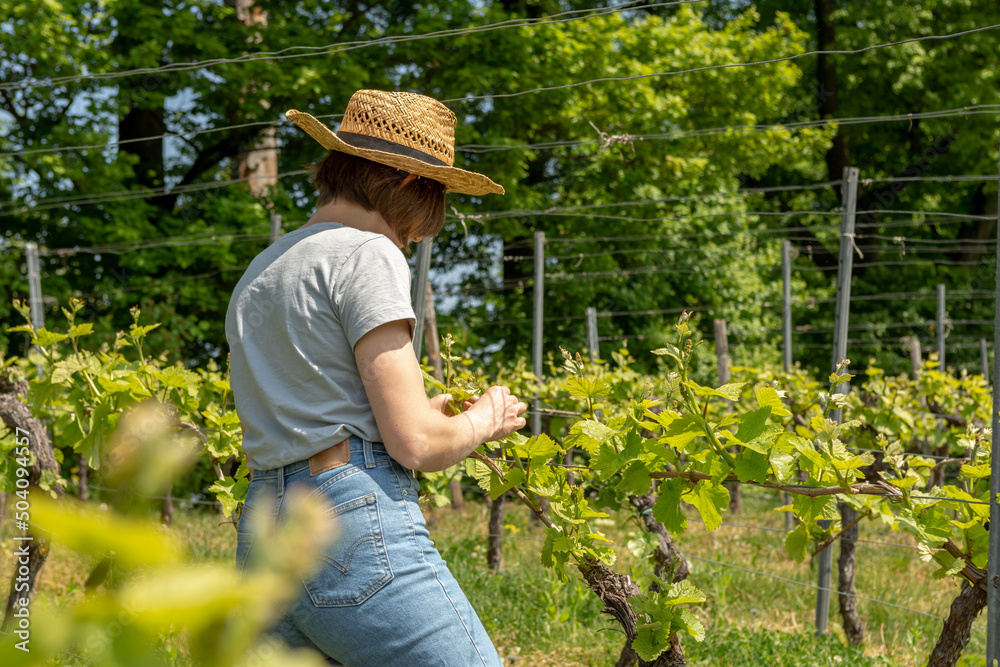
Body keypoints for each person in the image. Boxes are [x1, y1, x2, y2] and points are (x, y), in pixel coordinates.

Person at [225, 90, 527, 666]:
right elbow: (415, 443)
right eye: (431, 208)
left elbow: (316, 402)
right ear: (411, 185)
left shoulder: (264, 268)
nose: (417, 237)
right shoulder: (368, 253)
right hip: (345, 522)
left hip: (264, 522)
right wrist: (484, 418)